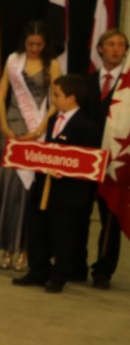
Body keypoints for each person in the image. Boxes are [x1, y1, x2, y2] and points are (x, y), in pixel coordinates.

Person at [13, 74, 104, 293]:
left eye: (57, 95)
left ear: (71, 98)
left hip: (67, 193)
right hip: (45, 186)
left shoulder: (87, 126)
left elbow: (87, 162)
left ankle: (59, 274)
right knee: (38, 230)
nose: (53, 99)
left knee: (62, 234)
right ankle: (38, 270)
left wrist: (64, 169)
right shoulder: (54, 120)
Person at [0, 22, 59, 271]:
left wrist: (41, 128)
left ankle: (26, 249)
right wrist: (4, 125)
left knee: (30, 191)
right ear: (24, 42)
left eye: (39, 44)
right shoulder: (13, 60)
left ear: (45, 44)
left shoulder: (52, 64)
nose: (34, 48)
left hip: (39, 129)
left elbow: (56, 100)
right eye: (30, 44)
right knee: (10, 188)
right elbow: (1, 94)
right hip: (13, 127)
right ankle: (7, 246)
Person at [91, 28, 128, 288]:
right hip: (86, 160)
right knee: (78, 216)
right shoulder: (85, 81)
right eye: (111, 44)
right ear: (100, 48)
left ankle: (103, 271)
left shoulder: (128, 86)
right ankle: (73, 265)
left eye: (121, 45)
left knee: (110, 219)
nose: (116, 49)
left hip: (114, 162)